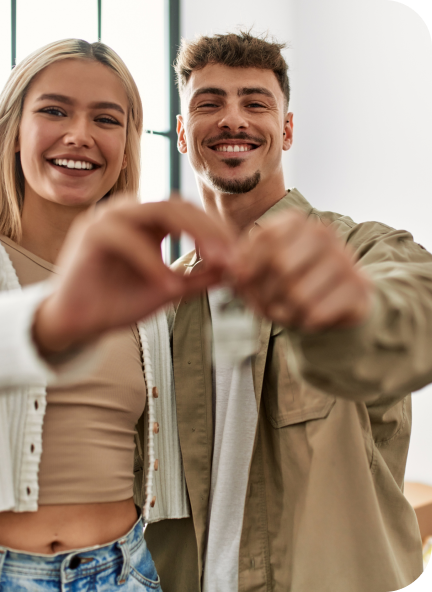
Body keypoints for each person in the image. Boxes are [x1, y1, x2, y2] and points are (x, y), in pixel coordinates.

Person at [0, 38, 232, 591]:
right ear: (13, 131)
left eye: (106, 119)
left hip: (123, 571)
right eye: (54, 110)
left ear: (125, 145)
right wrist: (56, 319)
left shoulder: (145, 292)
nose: (80, 134)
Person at [136, 31, 429, 591]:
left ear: (287, 130)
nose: (232, 120)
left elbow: (414, 316)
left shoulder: (362, 249)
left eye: (255, 102)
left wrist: (338, 307)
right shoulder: (162, 301)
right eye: (209, 103)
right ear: (181, 133)